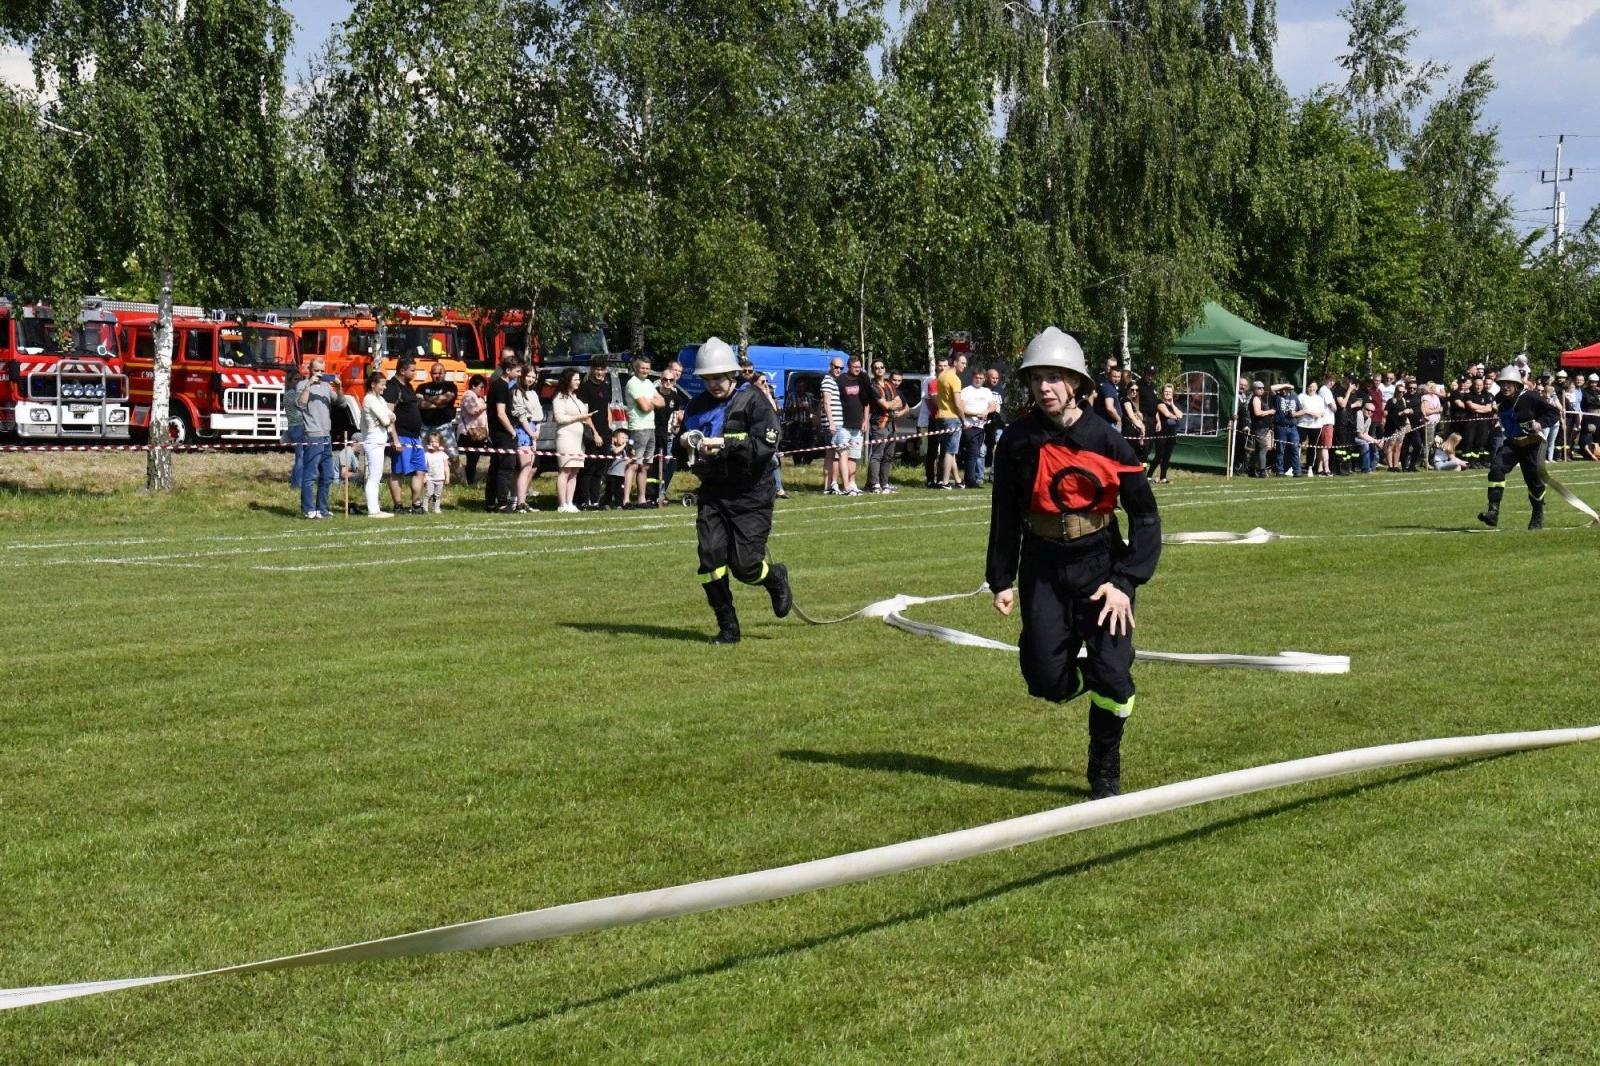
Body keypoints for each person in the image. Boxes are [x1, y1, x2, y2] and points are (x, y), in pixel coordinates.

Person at [986, 327, 1161, 800]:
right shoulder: (1017, 441)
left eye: (1055, 377)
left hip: (1102, 567)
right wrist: (1000, 579)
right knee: (1046, 680)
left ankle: (1104, 768)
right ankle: (1096, 671)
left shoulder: (1107, 441)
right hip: (1042, 566)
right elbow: (1005, 513)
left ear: (1076, 383)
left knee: (1115, 680)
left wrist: (1125, 581)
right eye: (1037, 378)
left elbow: (1145, 516)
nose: (1045, 387)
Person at [677, 337, 793, 644]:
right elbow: (682, 447)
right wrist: (683, 443)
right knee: (710, 558)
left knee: (745, 566)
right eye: (707, 379)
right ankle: (728, 627)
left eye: (718, 377)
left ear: (732, 374)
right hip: (714, 492)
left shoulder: (753, 400)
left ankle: (775, 577)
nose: (713, 384)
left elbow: (765, 445)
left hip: (751, 493)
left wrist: (726, 445)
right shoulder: (695, 405)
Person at [1479, 364, 1562, 530]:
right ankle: (1493, 511)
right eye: (1502, 384)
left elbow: (1553, 413)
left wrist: (1540, 423)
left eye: (1509, 384)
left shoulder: (1531, 397)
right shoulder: (1499, 398)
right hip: (1512, 443)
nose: (1505, 387)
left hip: (1532, 444)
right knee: (1496, 468)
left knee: (1534, 482)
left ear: (1517, 385)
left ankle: (1537, 514)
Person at [384, 355, 426, 513]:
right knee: (398, 472)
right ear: (402, 370)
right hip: (401, 436)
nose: (415, 373)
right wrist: (395, 439)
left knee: (420, 470)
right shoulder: (392, 387)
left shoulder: (408, 386)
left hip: (415, 437)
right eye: (412, 370)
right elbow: (389, 415)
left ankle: (416, 504)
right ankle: (398, 505)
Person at [296, 359, 336, 519]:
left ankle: (322, 509)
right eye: (317, 370)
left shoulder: (326, 386)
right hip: (313, 434)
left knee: (328, 475)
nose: (320, 374)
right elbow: (301, 404)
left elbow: (340, 402)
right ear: (310, 370)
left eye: (322, 371)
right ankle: (308, 509)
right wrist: (309, 386)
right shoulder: (302, 385)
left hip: (327, 435)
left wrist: (339, 388)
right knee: (311, 474)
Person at [623, 354, 662, 508]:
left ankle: (641, 500)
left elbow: (662, 401)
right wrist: (653, 402)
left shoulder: (649, 383)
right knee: (633, 464)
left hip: (650, 427)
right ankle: (626, 500)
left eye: (648, 368)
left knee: (645, 465)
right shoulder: (633, 383)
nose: (645, 370)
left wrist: (650, 401)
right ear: (636, 368)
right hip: (638, 428)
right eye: (643, 368)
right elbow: (644, 407)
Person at [576, 357, 614, 510]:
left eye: (602, 369)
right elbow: (586, 414)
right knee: (589, 469)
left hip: (606, 433)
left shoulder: (605, 386)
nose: (600, 372)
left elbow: (607, 408)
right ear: (592, 370)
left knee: (600, 469)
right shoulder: (585, 387)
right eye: (597, 369)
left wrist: (609, 429)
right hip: (592, 433)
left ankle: (595, 500)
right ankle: (584, 501)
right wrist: (595, 434)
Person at [551, 368, 590, 513]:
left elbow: (582, 414)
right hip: (566, 437)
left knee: (574, 471)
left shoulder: (575, 397)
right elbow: (559, 418)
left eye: (579, 379)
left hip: (579, 439)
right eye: (576, 379)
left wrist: (585, 415)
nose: (578, 382)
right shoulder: (560, 397)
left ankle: (569, 502)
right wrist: (578, 417)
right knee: (566, 469)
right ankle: (562, 504)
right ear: (568, 380)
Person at [651, 361, 690, 505]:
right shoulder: (657, 386)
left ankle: (661, 493)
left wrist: (676, 426)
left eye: (680, 371)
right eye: (675, 370)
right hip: (655, 431)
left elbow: (676, 412)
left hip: (669, 433)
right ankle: (653, 494)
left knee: (668, 463)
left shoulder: (675, 391)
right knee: (655, 464)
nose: (677, 373)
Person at [417, 361, 460, 482]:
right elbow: (420, 404)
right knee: (422, 455)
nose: (438, 375)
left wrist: (427, 399)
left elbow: (444, 399)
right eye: (435, 373)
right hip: (425, 426)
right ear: (430, 374)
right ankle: (423, 479)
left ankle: (464, 482)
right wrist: (437, 404)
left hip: (444, 426)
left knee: (453, 456)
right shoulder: (422, 387)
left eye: (440, 373)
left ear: (445, 373)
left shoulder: (450, 386)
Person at [358, 369, 394, 518]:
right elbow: (386, 420)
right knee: (374, 476)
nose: (384, 387)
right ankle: (373, 510)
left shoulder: (380, 399)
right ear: (373, 384)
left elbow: (392, 415)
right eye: (382, 384)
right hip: (373, 440)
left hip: (381, 439)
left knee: (377, 476)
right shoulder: (369, 399)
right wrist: (386, 419)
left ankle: (376, 508)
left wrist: (387, 418)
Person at [485, 355, 518, 512]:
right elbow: (500, 413)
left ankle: (490, 503)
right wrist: (512, 431)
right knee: (506, 467)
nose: (519, 374)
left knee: (495, 467)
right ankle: (503, 503)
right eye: (517, 371)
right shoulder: (501, 386)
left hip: (496, 433)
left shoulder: (497, 385)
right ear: (508, 370)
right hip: (503, 434)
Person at [868, 358, 905, 493]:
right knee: (877, 455)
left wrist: (891, 404)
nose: (880, 370)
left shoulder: (889, 384)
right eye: (876, 368)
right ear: (873, 371)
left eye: (882, 367)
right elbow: (885, 405)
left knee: (888, 455)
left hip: (892, 424)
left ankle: (884, 483)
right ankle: (874, 484)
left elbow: (900, 402)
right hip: (880, 424)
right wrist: (891, 404)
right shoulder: (873, 387)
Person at [510, 363, 544, 511]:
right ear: (522, 376)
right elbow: (521, 416)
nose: (530, 379)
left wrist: (537, 431)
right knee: (524, 468)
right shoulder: (516, 392)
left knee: (530, 468)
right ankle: (519, 503)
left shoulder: (534, 394)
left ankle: (522, 500)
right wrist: (530, 433)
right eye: (528, 376)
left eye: (533, 377)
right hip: (522, 431)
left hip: (533, 431)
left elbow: (538, 415)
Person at [958, 369, 998, 487]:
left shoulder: (986, 391)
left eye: (981, 378)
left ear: (984, 379)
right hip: (969, 426)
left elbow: (993, 406)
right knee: (973, 452)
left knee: (976, 453)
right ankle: (970, 480)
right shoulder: (966, 391)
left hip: (981, 427)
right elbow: (962, 409)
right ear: (972, 377)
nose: (978, 380)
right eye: (976, 377)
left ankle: (971, 478)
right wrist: (976, 414)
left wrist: (986, 411)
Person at [935, 352, 966, 489]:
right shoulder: (955, 379)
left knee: (949, 450)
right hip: (952, 418)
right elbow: (958, 404)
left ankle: (957, 480)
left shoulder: (941, 376)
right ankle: (945, 482)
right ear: (955, 362)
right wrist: (964, 420)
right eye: (962, 363)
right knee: (950, 452)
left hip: (941, 417)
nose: (964, 366)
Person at [819, 356, 847, 494]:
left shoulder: (834, 381)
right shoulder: (827, 381)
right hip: (833, 424)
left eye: (841, 368)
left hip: (837, 423)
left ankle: (828, 486)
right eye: (836, 367)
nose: (839, 370)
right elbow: (826, 403)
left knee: (830, 454)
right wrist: (831, 423)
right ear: (831, 366)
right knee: (838, 454)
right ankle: (836, 484)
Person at [457, 375, 489, 486]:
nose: (482, 390)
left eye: (484, 387)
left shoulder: (480, 398)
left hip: (479, 433)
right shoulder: (468, 396)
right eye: (481, 387)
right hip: (469, 433)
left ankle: (469, 480)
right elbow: (473, 410)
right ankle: (468, 481)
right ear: (473, 386)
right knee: (471, 459)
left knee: (474, 459)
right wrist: (486, 405)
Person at [1149, 384, 1181, 483]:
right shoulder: (1159, 402)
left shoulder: (1172, 404)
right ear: (1162, 392)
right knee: (1159, 456)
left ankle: (1163, 477)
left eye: (1170, 392)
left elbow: (1180, 415)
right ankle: (1149, 476)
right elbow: (1167, 414)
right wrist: (1175, 416)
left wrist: (1172, 404)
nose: (1168, 393)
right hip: (1161, 433)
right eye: (1166, 391)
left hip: (1171, 433)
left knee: (1167, 456)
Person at [1271, 381, 1303, 477]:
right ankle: (1280, 471)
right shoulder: (1277, 397)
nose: (1283, 391)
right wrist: (1285, 386)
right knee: (1280, 450)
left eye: (1286, 389)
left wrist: (1295, 414)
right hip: (1281, 427)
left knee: (1295, 449)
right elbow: (1272, 388)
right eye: (1282, 389)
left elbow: (1302, 410)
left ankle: (1297, 471)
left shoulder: (1294, 396)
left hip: (1293, 428)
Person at [1247, 380, 1273, 477]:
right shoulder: (1255, 399)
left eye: (1262, 388)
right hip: (1259, 428)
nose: (1261, 390)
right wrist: (1270, 411)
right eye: (1259, 388)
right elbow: (1257, 413)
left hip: (1263, 428)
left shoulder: (1258, 399)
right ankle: (1262, 471)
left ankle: (1251, 469)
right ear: (1254, 389)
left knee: (1258, 450)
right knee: (1263, 449)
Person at [423, 432, 449, 512]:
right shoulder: (426, 455)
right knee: (428, 494)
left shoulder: (443, 455)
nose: (433, 444)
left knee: (437, 495)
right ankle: (424, 507)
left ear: (440, 443)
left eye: (436, 442)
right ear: (428, 443)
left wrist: (447, 477)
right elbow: (424, 467)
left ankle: (436, 508)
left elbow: (446, 467)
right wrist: (424, 477)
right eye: (431, 442)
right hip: (430, 479)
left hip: (440, 479)